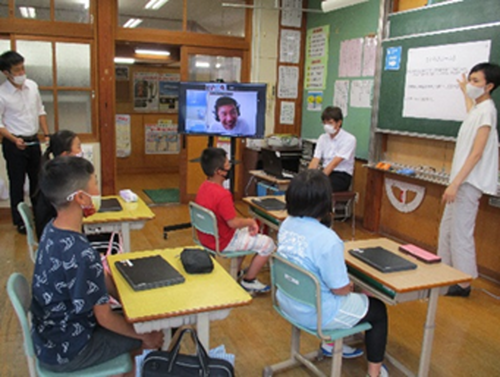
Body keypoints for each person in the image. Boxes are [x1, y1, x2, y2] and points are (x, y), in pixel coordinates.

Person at [31, 156, 163, 374]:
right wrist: (145, 335)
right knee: (149, 339)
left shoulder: (51, 230)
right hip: (69, 350)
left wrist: (129, 300)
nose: (97, 191)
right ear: (81, 198)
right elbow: (105, 318)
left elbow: (99, 276)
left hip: (47, 339)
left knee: (137, 325)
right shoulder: (82, 253)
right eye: (94, 184)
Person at [277, 170, 388, 377]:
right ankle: (374, 373)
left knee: (353, 294)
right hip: (317, 314)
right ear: (326, 202)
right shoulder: (328, 240)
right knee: (378, 309)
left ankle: (332, 344)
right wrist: (351, 287)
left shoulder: (286, 225)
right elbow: (340, 290)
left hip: (287, 299)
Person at [438, 62, 500, 297]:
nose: (471, 84)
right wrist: (465, 92)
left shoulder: (487, 112)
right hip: (460, 182)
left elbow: (477, 153)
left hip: (467, 183)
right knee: (447, 229)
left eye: (476, 81)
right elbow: (470, 110)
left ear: (489, 86)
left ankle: (463, 284)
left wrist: (455, 184)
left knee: (461, 232)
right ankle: (445, 272)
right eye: (470, 80)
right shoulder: (477, 109)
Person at [195, 147, 274, 293]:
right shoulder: (222, 195)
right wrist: (250, 221)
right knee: (268, 244)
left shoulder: (203, 187)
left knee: (247, 233)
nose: (230, 167)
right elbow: (233, 223)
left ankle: (236, 271)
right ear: (219, 171)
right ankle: (249, 281)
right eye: (227, 165)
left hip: (206, 238)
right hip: (223, 241)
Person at [0, 50, 50, 234]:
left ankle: (40, 216)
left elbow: (40, 111)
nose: (22, 73)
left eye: (23, 68)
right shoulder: (2, 94)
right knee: (17, 183)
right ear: (6, 73)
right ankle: (20, 221)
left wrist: (46, 135)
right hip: (14, 144)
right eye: (17, 70)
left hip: (33, 140)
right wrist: (14, 139)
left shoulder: (32, 86)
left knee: (38, 181)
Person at [34, 130, 83, 240]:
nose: (81, 151)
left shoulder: (55, 173)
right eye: (78, 147)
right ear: (65, 155)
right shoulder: (60, 181)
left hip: (56, 234)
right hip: (58, 239)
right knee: (113, 240)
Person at [308, 106, 356, 192]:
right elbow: (316, 159)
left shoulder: (349, 139)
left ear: (339, 123)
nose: (327, 126)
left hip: (341, 175)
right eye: (324, 123)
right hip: (325, 172)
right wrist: (308, 176)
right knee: (306, 185)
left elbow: (334, 163)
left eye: (330, 123)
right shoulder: (322, 138)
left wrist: (319, 180)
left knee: (319, 189)